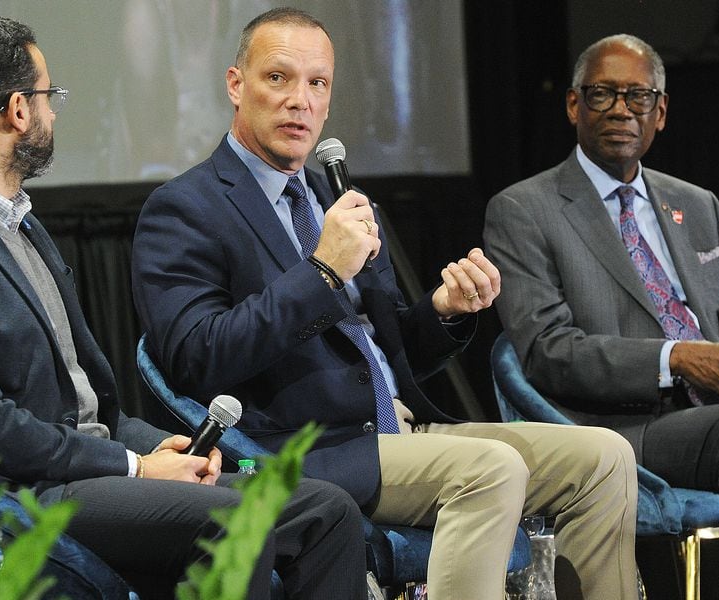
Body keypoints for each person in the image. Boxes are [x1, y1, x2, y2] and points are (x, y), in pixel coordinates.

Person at [132, 8, 639, 599]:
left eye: (317, 83)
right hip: (298, 452)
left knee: (604, 456)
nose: (300, 100)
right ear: (235, 85)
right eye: (278, 78)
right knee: (490, 470)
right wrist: (320, 272)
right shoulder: (185, 208)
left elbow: (391, 348)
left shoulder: (340, 197)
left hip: (398, 429)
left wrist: (446, 310)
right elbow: (198, 357)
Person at [0, 14, 367, 599]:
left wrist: (153, 449)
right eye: (49, 98)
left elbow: (88, 402)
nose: (53, 113)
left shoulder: (12, 219)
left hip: (86, 469)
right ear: (18, 111)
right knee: (233, 527)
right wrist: (133, 466)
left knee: (323, 508)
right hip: (20, 497)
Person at [484, 33, 719, 600]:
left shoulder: (698, 204)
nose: (620, 109)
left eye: (638, 96)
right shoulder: (523, 210)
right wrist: (678, 359)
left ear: (660, 112)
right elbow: (547, 351)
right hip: (623, 427)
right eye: (602, 95)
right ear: (574, 105)